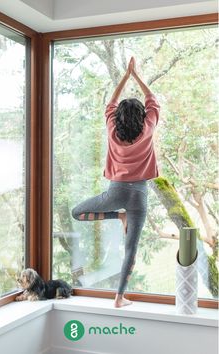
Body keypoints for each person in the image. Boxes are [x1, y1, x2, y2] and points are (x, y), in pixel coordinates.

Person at [72, 57, 160, 308]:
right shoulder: (148, 128)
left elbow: (111, 102)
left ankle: (117, 216)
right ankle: (119, 298)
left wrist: (125, 76)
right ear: (142, 116)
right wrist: (138, 75)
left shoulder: (112, 128)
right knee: (131, 248)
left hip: (116, 193)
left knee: (77, 213)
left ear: (118, 116)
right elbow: (152, 99)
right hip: (139, 196)